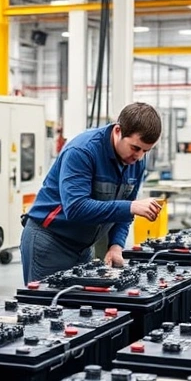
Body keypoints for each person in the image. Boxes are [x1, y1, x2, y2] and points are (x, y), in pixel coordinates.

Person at [19, 102, 165, 284]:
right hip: (49, 242)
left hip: (84, 246)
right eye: (135, 148)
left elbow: (124, 215)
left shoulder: (135, 162)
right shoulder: (82, 151)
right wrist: (131, 207)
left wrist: (116, 246)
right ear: (118, 131)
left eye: (146, 150)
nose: (140, 156)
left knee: (79, 309)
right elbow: (76, 208)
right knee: (49, 308)